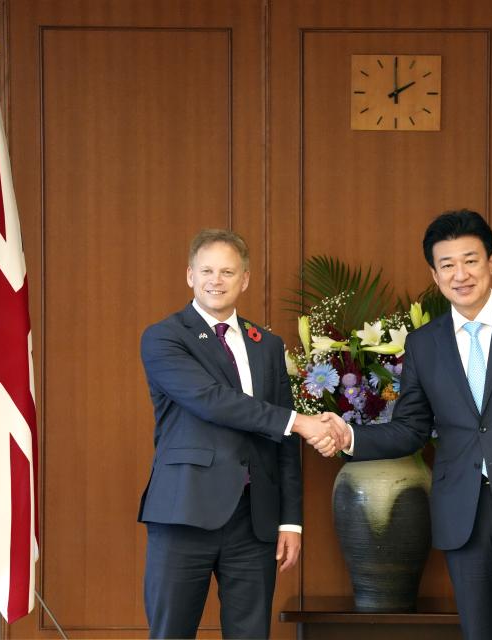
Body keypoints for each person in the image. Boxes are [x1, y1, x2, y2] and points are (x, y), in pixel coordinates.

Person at [317, 210, 492, 639]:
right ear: (434, 272)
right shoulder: (425, 343)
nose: (460, 274)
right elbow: (410, 428)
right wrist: (349, 435)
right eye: (447, 265)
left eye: (470, 260)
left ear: (491, 263)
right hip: (461, 511)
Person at [138, 229, 341, 639]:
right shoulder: (164, 337)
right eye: (207, 270)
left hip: (255, 520)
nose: (217, 279)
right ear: (190, 276)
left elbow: (282, 443)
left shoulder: (267, 345)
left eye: (228, 271)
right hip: (184, 512)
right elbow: (212, 400)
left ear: (244, 279)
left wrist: (291, 522)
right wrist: (301, 422)